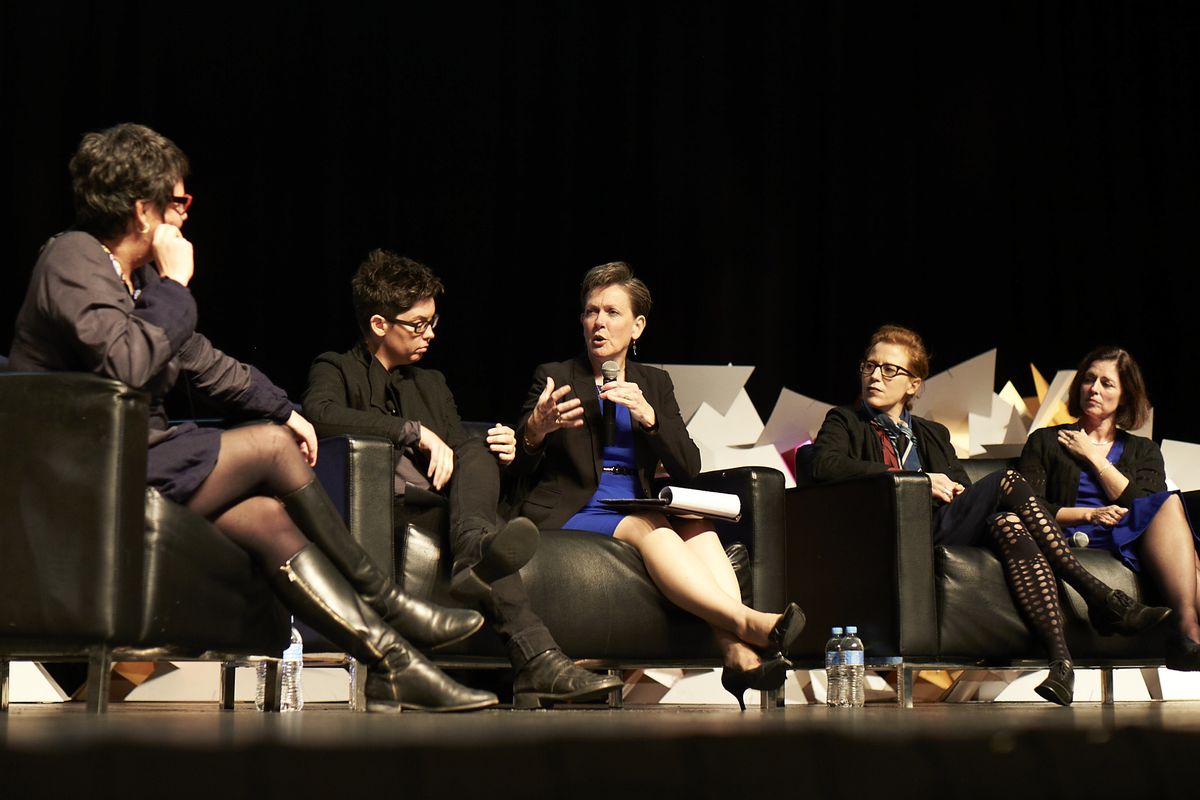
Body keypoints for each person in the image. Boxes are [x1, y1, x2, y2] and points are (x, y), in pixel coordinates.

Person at [8, 123, 496, 712]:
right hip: (81, 466)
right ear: (144, 211)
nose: (186, 216)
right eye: (178, 202)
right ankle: (387, 599)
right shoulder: (74, 260)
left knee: (267, 514)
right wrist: (177, 283)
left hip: (132, 454)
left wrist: (284, 407)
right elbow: (131, 364)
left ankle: (395, 663)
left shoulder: (132, 279)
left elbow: (201, 360)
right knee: (268, 450)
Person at [301, 250, 623, 708]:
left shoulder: (431, 383)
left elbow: (466, 458)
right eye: (418, 324)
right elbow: (321, 415)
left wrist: (512, 451)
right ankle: (538, 659)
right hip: (388, 508)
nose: (430, 333)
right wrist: (412, 432)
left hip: (451, 508)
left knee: (479, 450)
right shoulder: (335, 368)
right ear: (378, 324)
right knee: (480, 519)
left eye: (433, 321)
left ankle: (477, 553)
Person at [810, 325, 1170, 706]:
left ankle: (1060, 664)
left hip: (943, 525)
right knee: (1008, 482)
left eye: (889, 370)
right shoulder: (845, 421)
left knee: (1007, 523)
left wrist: (953, 489)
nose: (875, 376)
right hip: (894, 531)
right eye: (869, 366)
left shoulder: (932, 434)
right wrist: (916, 479)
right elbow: (825, 466)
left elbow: (964, 485)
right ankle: (1099, 596)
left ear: (913, 385)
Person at [508, 261, 806, 710]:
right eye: (591, 312)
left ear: (637, 326)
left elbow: (688, 466)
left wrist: (650, 418)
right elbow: (518, 458)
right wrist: (535, 428)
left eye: (611, 312)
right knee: (649, 525)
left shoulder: (655, 383)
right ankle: (748, 624)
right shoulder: (556, 375)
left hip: (637, 499)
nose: (598, 323)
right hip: (574, 507)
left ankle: (736, 654)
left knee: (700, 528)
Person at [1019, 346, 1200, 670]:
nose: (1094, 389)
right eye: (1089, 380)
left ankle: (1188, 634)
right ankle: (1188, 633)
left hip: (1130, 535)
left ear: (1126, 396)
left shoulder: (1143, 450)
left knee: (1170, 506)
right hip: (1078, 534)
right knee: (1191, 558)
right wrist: (1089, 514)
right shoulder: (1045, 441)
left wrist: (1093, 457)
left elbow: (1146, 504)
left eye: (1107, 383)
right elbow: (1030, 504)